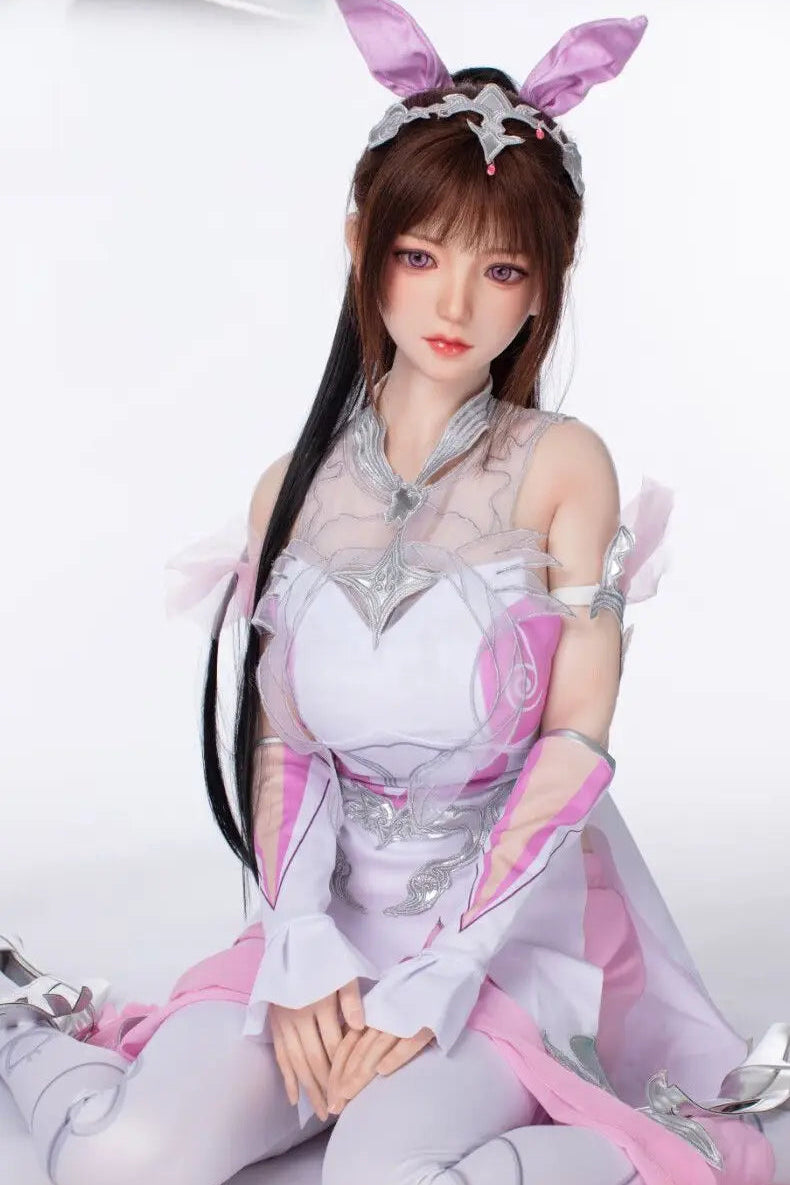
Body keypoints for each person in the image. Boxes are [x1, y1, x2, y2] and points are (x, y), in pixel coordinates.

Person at [2, 3, 789, 1183]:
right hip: (327, 929)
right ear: (361, 245)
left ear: (546, 285)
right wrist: (299, 941)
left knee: (379, 1174)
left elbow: (571, 747)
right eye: (420, 256)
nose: (453, 306)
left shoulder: (561, 466)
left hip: (500, 941)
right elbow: (287, 746)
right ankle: (19, 1021)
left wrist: (445, 971)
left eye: (500, 268)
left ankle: (686, 1143)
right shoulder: (292, 487)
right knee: (126, 1157)